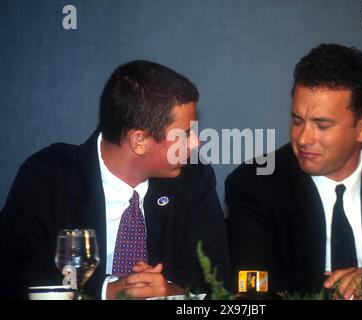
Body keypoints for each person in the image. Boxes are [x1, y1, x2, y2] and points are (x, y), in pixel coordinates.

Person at [225, 44, 362, 300]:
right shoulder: (255, 184)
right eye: (297, 120)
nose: (303, 138)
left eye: (322, 125)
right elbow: (255, 293)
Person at [0, 60, 230, 300]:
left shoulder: (194, 178)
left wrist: (175, 292)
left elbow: (215, 275)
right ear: (139, 141)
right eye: (184, 134)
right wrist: (104, 292)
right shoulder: (48, 175)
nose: (196, 143)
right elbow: (16, 274)